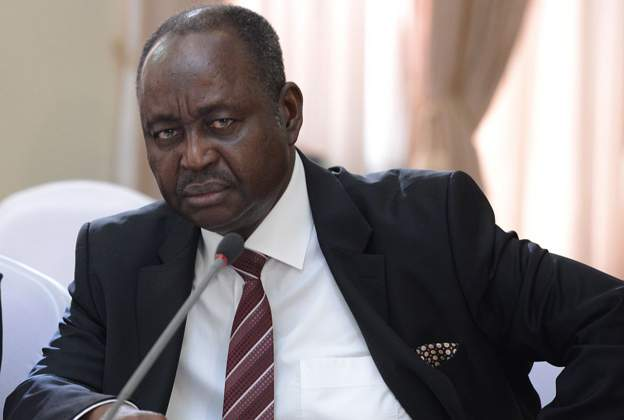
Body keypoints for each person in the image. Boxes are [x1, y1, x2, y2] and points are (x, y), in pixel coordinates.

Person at [5, 5, 624, 420]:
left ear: (288, 113)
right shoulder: (119, 255)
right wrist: (100, 416)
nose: (192, 156)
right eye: (166, 133)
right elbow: (36, 394)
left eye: (220, 123)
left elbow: (610, 320)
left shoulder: (427, 224)